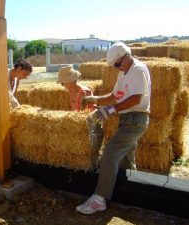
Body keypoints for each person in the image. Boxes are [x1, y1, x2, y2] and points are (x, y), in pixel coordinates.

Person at [76, 42, 151, 215]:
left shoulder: (138, 70)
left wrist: (110, 110)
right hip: (127, 119)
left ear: (126, 56)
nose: (116, 68)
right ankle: (133, 193)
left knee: (109, 153)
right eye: (114, 66)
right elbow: (113, 96)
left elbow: (136, 99)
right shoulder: (124, 74)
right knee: (125, 159)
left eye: (117, 64)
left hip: (135, 119)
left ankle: (99, 199)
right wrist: (94, 99)